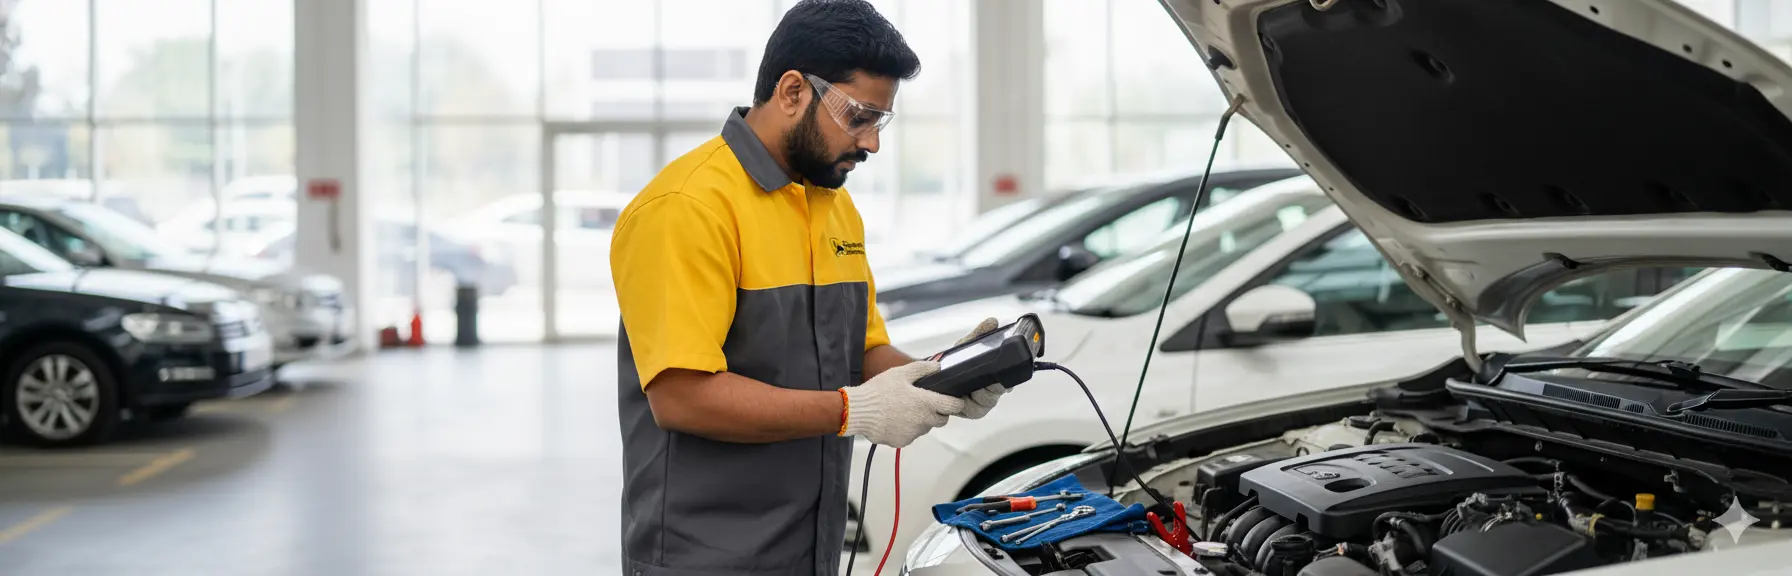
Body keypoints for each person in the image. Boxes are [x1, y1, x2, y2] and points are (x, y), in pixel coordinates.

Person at [609, 1, 1009, 574]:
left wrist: (942, 377)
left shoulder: (832, 205)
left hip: (810, 545)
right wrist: (852, 411)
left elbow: (863, 351)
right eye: (859, 117)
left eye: (881, 121)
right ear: (793, 91)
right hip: (705, 554)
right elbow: (680, 395)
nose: (872, 143)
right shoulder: (687, 209)